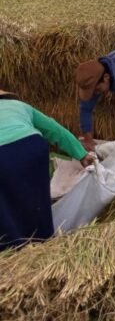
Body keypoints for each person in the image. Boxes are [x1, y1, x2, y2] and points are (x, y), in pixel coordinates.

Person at [0, 89, 95, 250]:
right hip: (32, 147)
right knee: (37, 198)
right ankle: (43, 241)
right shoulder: (21, 106)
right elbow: (55, 130)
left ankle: (12, 248)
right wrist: (81, 154)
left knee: (3, 204)